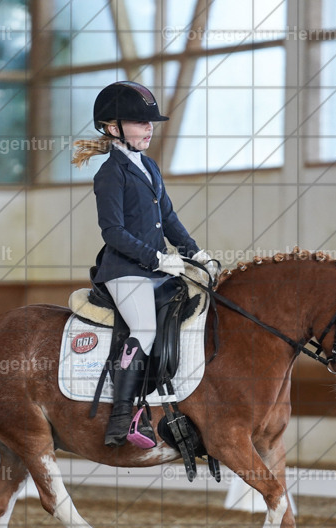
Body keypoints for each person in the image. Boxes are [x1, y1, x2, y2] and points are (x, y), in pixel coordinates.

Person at [72, 81, 216, 448]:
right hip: (124, 271)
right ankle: (123, 416)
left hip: (157, 268)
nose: (149, 127)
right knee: (146, 330)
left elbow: (167, 217)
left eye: (150, 122)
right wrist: (156, 258)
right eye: (140, 122)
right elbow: (113, 232)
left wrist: (195, 253)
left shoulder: (149, 166)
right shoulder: (110, 173)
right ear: (112, 127)